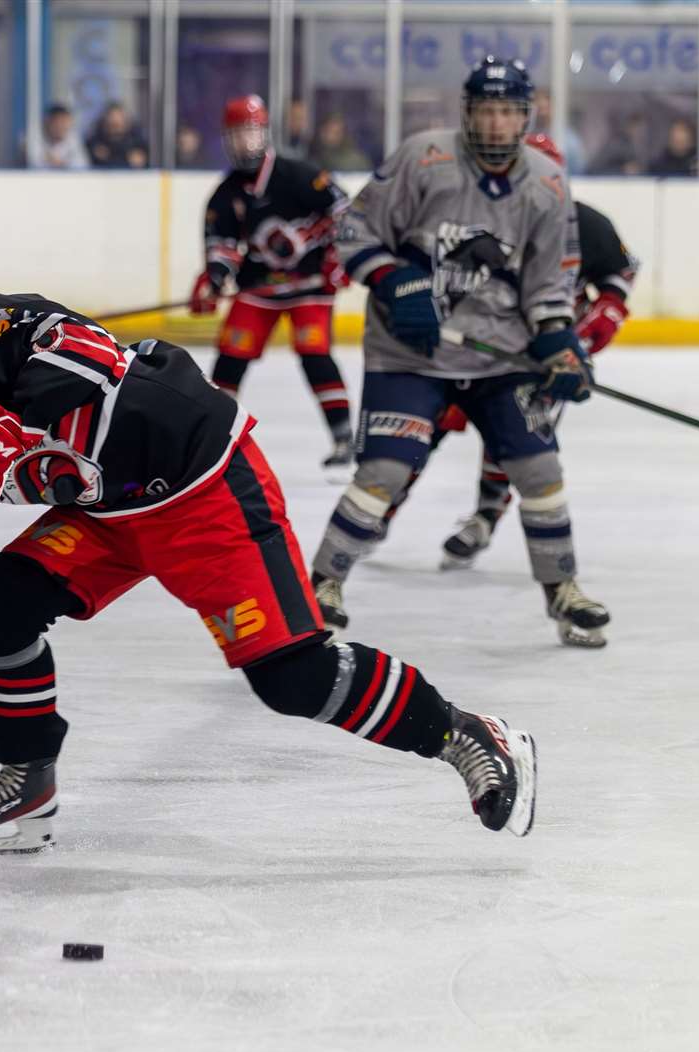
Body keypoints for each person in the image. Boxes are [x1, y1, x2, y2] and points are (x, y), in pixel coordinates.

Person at [0, 279, 538, 855]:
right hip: (107, 521)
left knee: (290, 677)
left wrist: (11, 421)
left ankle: (464, 734)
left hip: (201, 488)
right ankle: (28, 783)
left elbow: (98, 367)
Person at [310, 57, 611, 648]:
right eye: (485, 110)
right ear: (467, 111)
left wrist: (559, 345)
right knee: (385, 472)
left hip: (500, 357)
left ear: (525, 116)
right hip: (409, 352)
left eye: (508, 111)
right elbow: (352, 232)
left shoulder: (548, 183)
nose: (496, 125)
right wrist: (394, 280)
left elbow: (550, 285)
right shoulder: (424, 158)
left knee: (540, 469)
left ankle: (563, 591)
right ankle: (320, 585)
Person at [384, 133, 637, 573]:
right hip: (478, 351)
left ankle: (485, 517)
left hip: (541, 355)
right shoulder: (477, 222)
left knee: (516, 442)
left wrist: (607, 310)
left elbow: (621, 269)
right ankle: (385, 504)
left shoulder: (586, 225)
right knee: (430, 425)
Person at [190, 94, 356, 478]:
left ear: (264, 133)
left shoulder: (298, 175)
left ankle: (345, 436)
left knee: (313, 352)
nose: (245, 142)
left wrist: (337, 258)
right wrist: (215, 277)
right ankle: (214, 436)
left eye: (251, 132)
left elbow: (346, 212)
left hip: (310, 284)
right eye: (236, 135)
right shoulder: (226, 194)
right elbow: (223, 246)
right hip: (259, 289)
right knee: (231, 356)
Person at [86, 103, 149, 169]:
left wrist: (141, 159)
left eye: (118, 124)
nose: (115, 122)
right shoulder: (95, 142)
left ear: (126, 122)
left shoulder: (137, 142)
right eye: (112, 123)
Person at [29, 104, 90, 169]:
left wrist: (61, 163)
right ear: (49, 122)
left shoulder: (73, 138)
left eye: (65, 123)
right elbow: (34, 164)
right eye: (59, 123)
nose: (62, 127)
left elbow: (82, 165)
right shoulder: (35, 137)